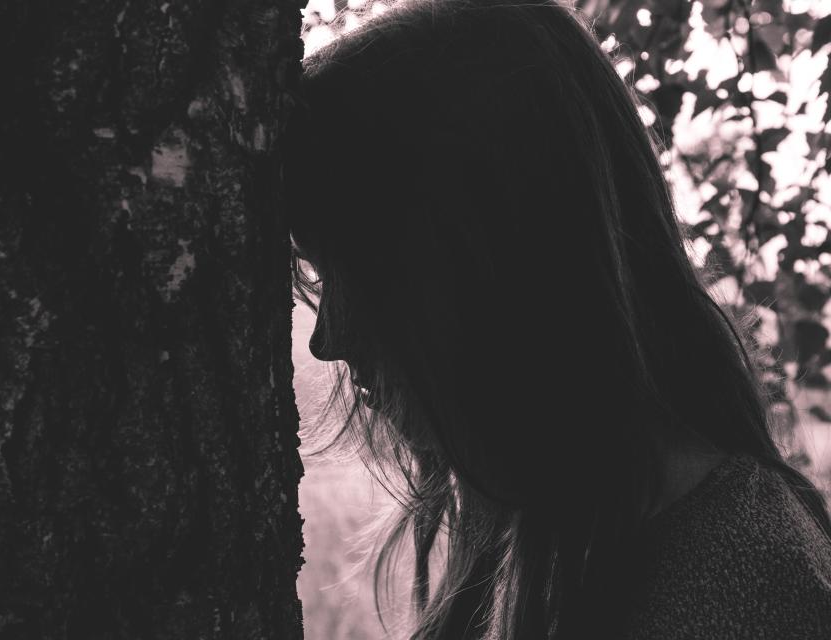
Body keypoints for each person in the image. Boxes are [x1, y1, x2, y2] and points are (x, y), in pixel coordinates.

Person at [281, 0, 831, 637]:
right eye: (324, 277)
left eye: (366, 276)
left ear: (497, 262)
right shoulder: (556, 540)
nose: (330, 339)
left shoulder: (745, 594)